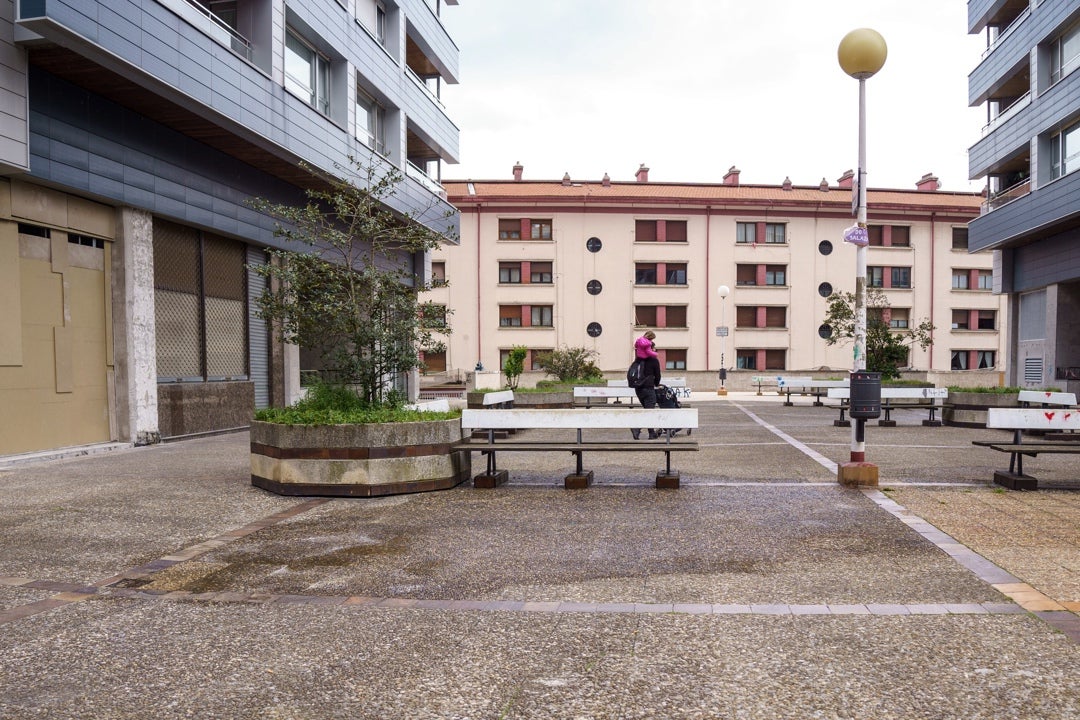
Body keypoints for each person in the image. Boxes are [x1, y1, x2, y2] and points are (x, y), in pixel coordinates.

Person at [631, 332, 662, 440]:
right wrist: (656, 384)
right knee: (649, 412)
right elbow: (658, 375)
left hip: (638, 389)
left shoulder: (638, 359)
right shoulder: (654, 360)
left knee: (648, 410)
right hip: (648, 389)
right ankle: (637, 428)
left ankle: (652, 433)